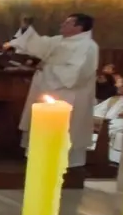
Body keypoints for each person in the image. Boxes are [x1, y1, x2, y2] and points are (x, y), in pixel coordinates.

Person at [11, 13, 99, 168]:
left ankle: (63, 164)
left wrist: (47, 67)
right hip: (47, 90)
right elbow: (38, 44)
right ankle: (38, 156)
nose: (61, 25)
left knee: (65, 130)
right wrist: (25, 29)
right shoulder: (58, 40)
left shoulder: (88, 47)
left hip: (68, 96)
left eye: (67, 23)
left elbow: (77, 75)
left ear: (79, 27)